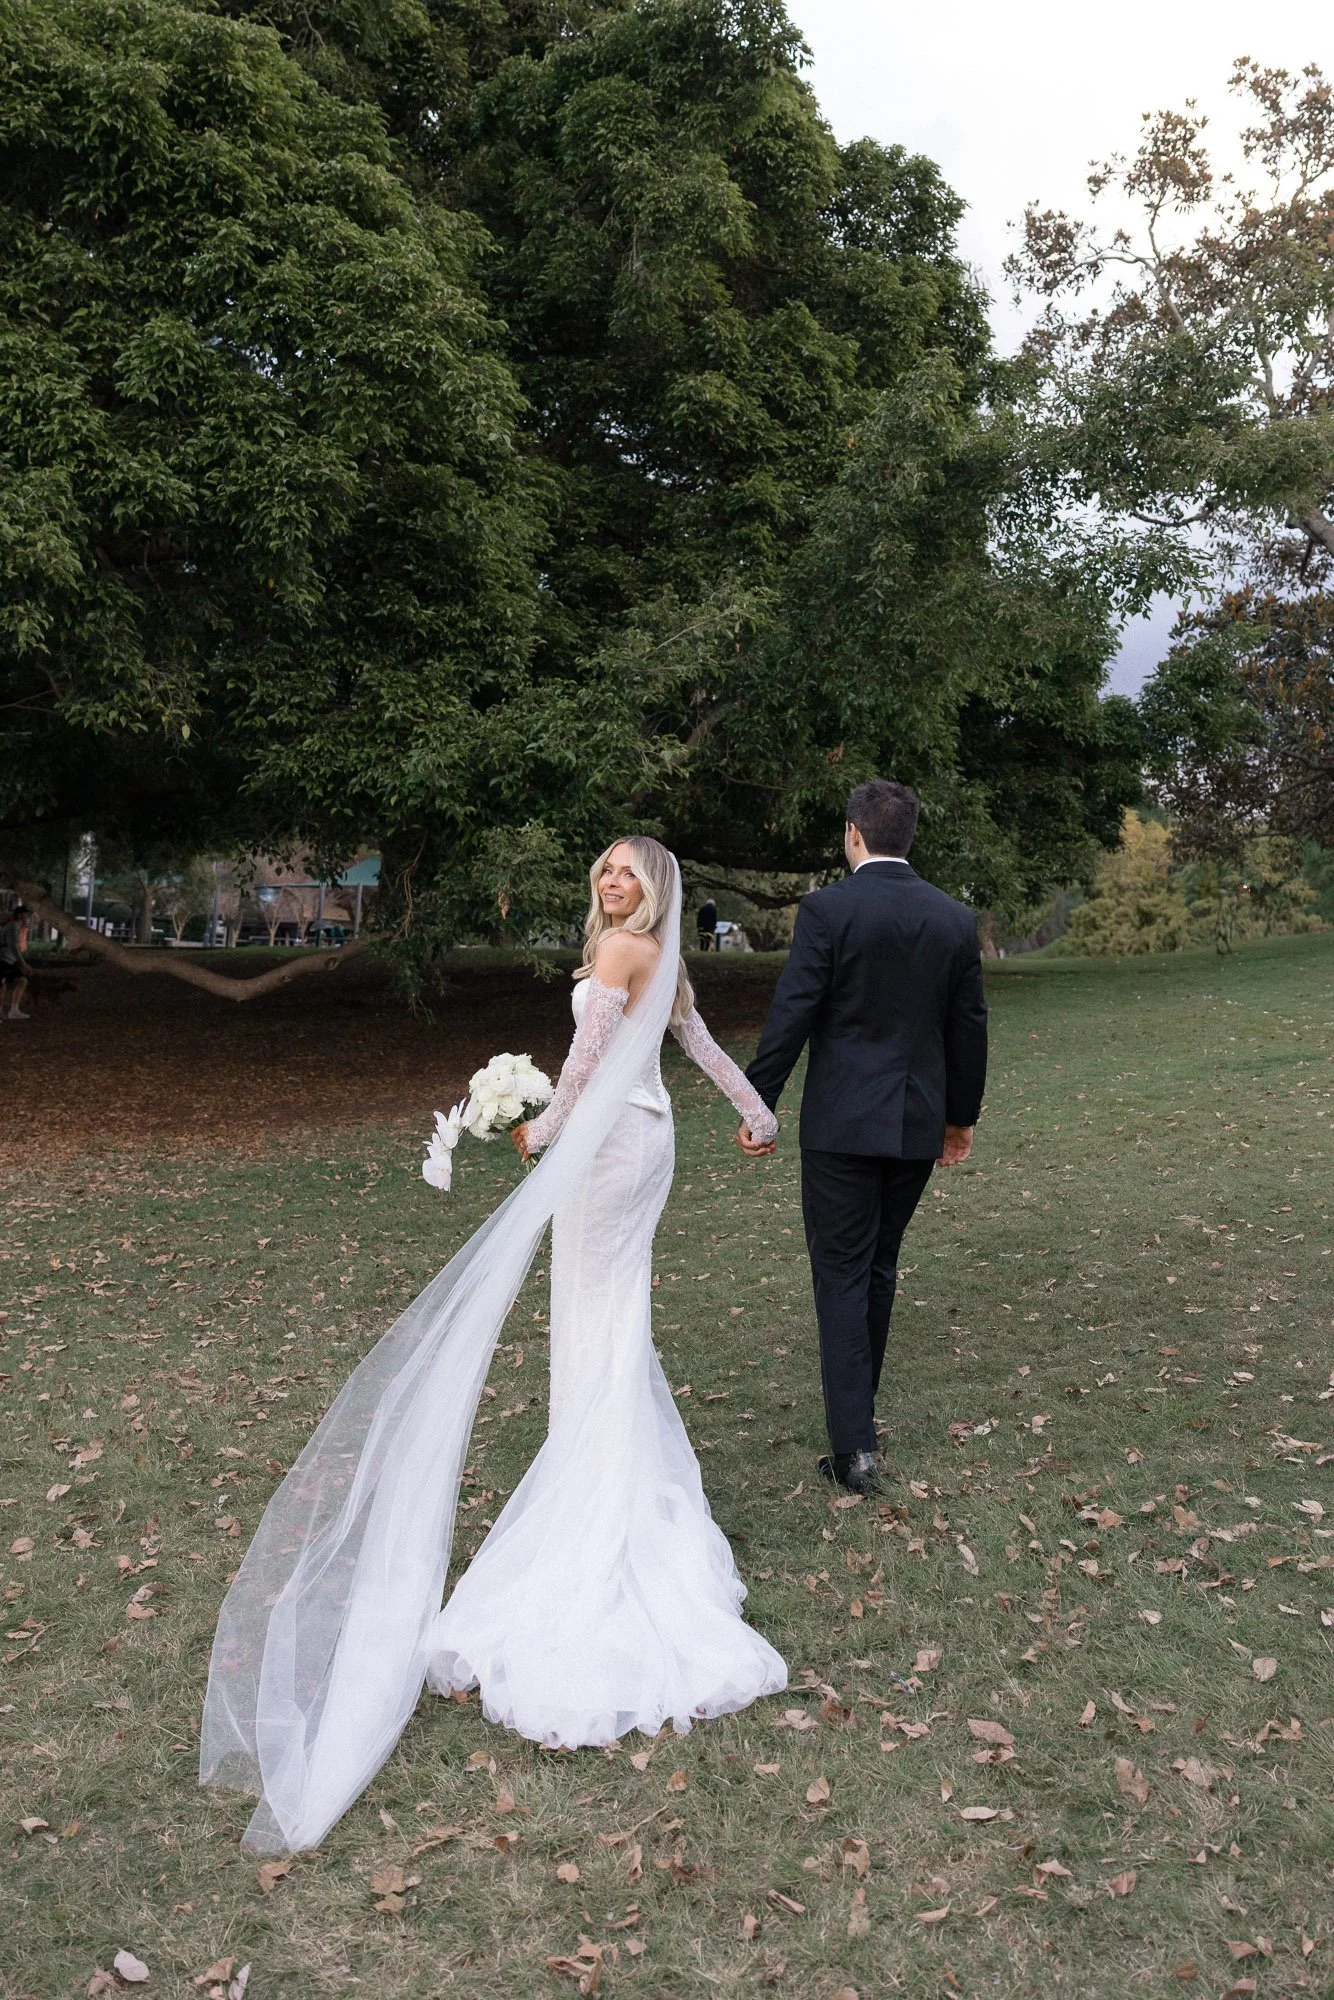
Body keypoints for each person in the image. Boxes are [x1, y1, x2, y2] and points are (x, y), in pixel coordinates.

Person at [201, 837, 785, 1855]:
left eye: (628, 876)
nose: (612, 885)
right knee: (610, 1322)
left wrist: (545, 1127)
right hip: (646, 1145)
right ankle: (604, 1471)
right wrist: (755, 1109)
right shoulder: (650, 955)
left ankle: (595, 1506)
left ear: (656, 889)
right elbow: (700, 1049)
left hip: (608, 1150)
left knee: (595, 1320)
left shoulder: (617, 961)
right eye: (604, 871)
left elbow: (598, 1064)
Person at [741, 780, 988, 1497]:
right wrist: (960, 1117)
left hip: (843, 1126)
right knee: (877, 1268)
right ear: (906, 836)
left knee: (844, 1275)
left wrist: (759, 1105)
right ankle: (860, 1425)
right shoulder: (952, 918)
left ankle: (855, 1449)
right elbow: (967, 1028)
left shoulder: (827, 910)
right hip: (916, 1123)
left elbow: (792, 1013)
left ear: (854, 834)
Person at [0, 903, 31, 1020]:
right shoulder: (13, 926)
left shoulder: (15, 927)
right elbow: (13, 947)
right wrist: (23, 964)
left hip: (8, 960)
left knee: (22, 981)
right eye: (26, 915)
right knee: (2, 985)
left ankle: (14, 1010)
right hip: (3, 960)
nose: (27, 918)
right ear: (19, 916)